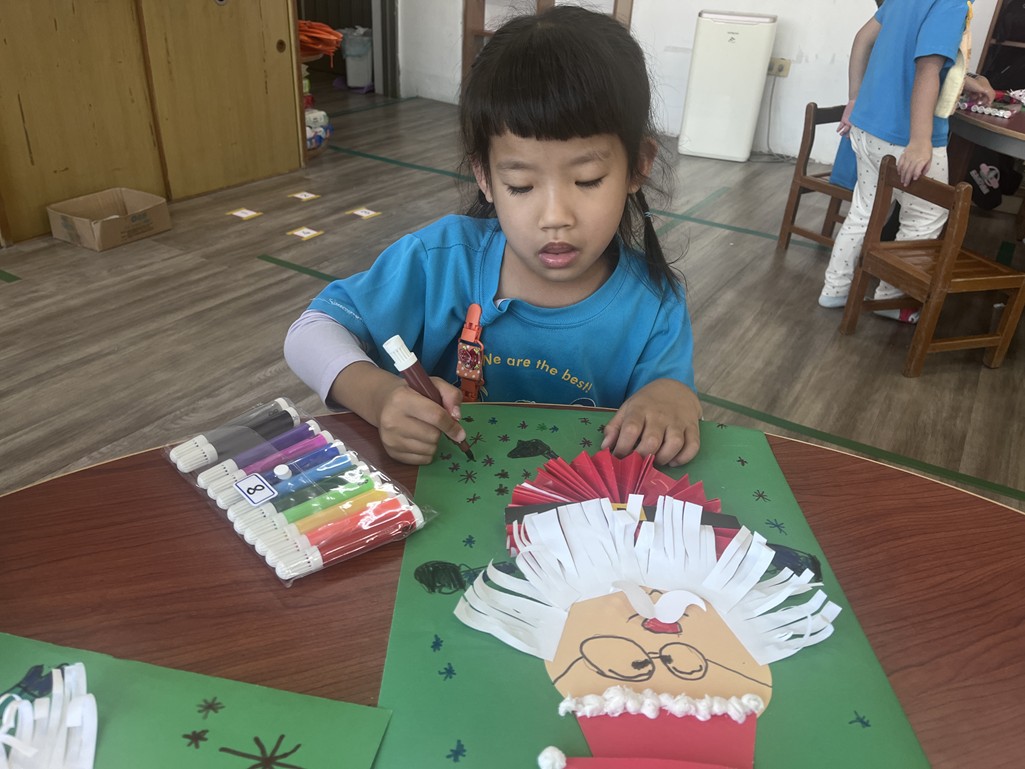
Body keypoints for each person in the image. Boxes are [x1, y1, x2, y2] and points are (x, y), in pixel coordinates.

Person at [284, 6, 701, 467]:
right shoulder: (440, 261)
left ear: (638, 166)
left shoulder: (654, 306)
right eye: (520, 185)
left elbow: (669, 399)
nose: (555, 217)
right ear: (484, 176)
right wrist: (379, 395)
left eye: (587, 180)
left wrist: (671, 397)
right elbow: (310, 333)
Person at [818, 0, 973, 319]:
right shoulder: (952, 2)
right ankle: (892, 299)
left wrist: (854, 98)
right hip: (904, 136)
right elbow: (927, 69)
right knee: (925, 217)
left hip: (869, 125)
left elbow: (863, 39)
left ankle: (835, 288)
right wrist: (920, 140)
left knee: (864, 210)